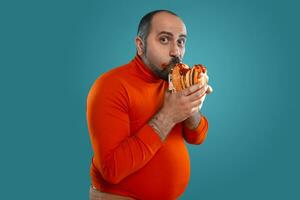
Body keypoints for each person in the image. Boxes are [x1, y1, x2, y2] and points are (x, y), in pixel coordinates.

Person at [86, 9, 212, 200]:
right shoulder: (111, 85)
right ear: (140, 45)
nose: (176, 51)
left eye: (181, 41)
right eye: (164, 39)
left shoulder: (172, 81)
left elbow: (197, 137)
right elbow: (111, 170)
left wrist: (192, 102)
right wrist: (168, 115)